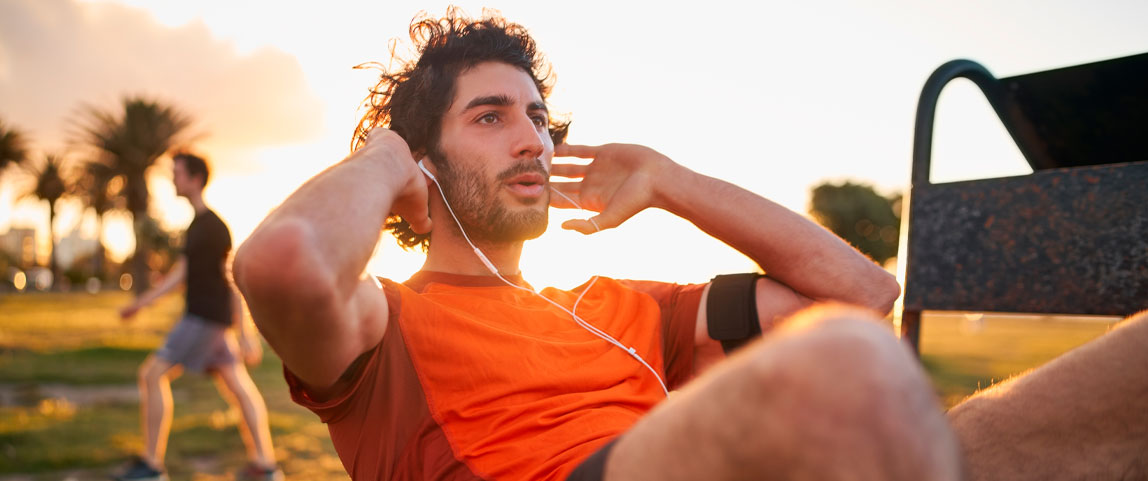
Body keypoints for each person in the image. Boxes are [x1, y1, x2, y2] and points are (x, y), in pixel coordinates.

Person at [234, 9, 1148, 481]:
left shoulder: (617, 306)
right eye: (490, 116)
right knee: (853, 373)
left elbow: (864, 291)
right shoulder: (382, 325)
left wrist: (674, 182)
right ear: (422, 166)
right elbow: (284, 263)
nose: (534, 140)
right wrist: (389, 149)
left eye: (540, 118)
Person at [116, 153, 283, 481]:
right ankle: (265, 466)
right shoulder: (196, 227)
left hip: (204, 319)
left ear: (194, 179)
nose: (172, 179)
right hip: (211, 322)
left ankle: (151, 466)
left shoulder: (214, 228)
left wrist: (246, 332)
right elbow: (183, 274)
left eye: (177, 173)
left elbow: (230, 279)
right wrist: (143, 303)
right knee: (239, 387)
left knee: (152, 375)